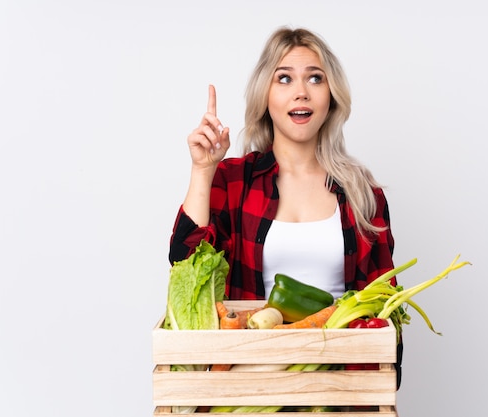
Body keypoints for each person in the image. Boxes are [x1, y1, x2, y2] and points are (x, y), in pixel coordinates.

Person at [168, 25, 402, 389]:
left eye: (315, 78)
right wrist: (203, 169)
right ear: (265, 96)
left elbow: (387, 312)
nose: (301, 92)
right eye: (284, 79)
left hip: (340, 388)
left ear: (331, 97)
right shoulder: (234, 181)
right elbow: (185, 265)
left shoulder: (362, 194)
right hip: (253, 383)